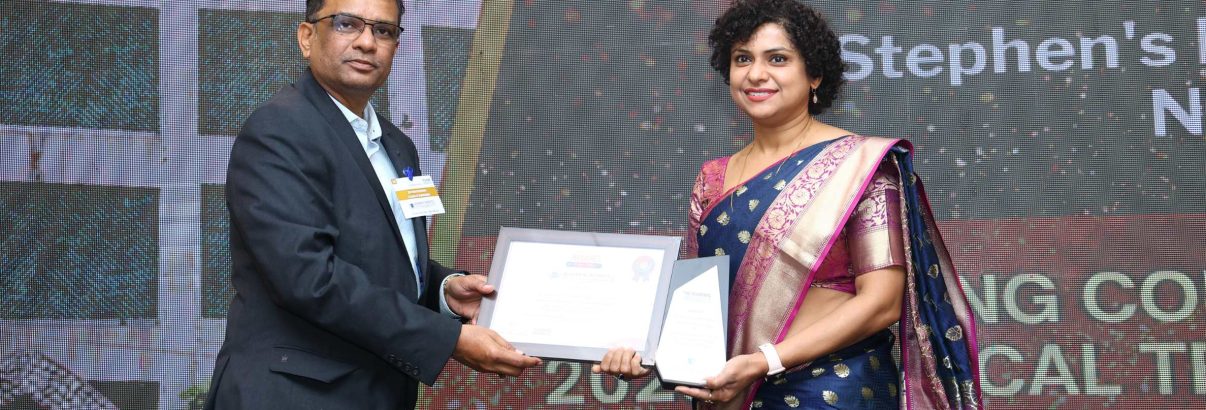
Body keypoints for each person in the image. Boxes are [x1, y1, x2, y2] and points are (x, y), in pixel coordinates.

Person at [595, 1, 982, 409]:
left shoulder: (860, 166)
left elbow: (881, 303)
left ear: (814, 75)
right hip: (733, 390)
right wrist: (643, 351)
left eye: (777, 59)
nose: (756, 74)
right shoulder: (712, 178)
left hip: (837, 389)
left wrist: (765, 361)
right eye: (742, 59)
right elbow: (695, 306)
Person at [203, 0, 541, 408]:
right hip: (297, 395)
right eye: (347, 24)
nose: (367, 42)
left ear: (396, 45)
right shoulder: (279, 130)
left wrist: (442, 290)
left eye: (383, 31)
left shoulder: (397, 146)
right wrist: (448, 339)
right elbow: (308, 277)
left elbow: (380, 258)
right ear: (307, 37)